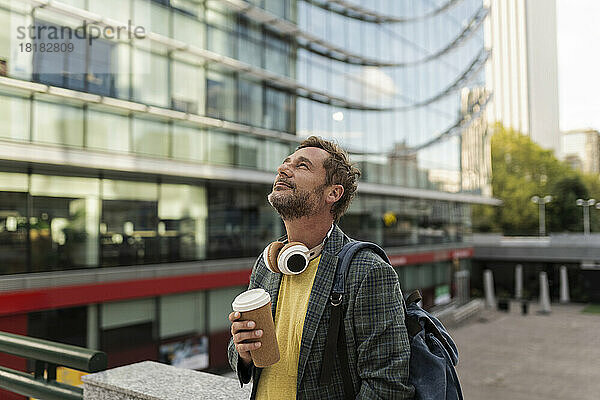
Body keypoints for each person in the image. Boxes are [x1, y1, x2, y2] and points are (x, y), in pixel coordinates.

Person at [227, 136, 414, 399]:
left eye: (302, 166)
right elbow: (240, 355)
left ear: (333, 193)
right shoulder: (267, 264)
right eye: (285, 163)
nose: (283, 169)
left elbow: (388, 385)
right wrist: (243, 352)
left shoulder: (367, 271)